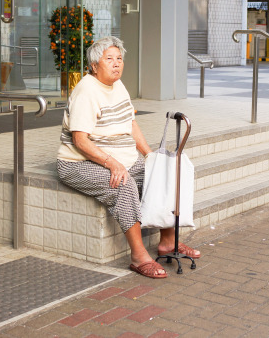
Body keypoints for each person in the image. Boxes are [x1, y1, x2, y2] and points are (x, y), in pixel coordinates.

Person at [56, 36, 200, 279]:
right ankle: (138, 256)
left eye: (119, 59)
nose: (116, 64)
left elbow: (130, 123)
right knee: (124, 185)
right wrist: (112, 163)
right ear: (93, 65)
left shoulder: (118, 86)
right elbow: (80, 140)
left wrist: (150, 156)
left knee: (164, 175)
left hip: (121, 158)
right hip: (77, 163)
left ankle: (168, 242)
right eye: (109, 59)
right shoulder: (86, 91)